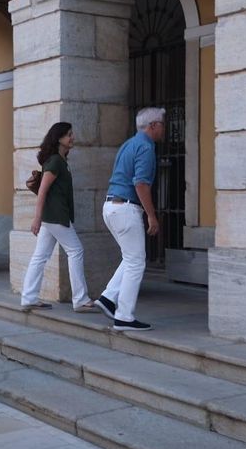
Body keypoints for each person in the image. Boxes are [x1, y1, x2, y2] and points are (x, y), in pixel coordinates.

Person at [94, 106, 165, 331]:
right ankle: (124, 316)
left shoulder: (129, 144)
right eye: (162, 124)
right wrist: (152, 216)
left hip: (112, 207)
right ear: (153, 125)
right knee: (136, 262)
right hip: (126, 208)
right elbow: (141, 183)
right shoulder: (145, 147)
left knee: (130, 257)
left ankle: (107, 298)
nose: (164, 128)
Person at [20, 122, 96, 313]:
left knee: (40, 256)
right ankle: (80, 299)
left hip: (53, 216)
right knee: (76, 250)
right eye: (69, 134)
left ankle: (29, 297)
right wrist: (37, 218)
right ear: (59, 138)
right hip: (55, 216)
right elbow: (43, 191)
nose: (73, 137)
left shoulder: (60, 161)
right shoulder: (55, 162)